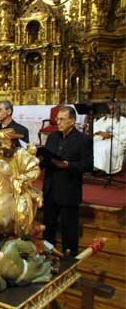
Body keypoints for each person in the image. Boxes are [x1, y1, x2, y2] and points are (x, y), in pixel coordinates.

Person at [41, 106, 93, 256]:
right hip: (50, 189)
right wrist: (40, 159)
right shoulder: (53, 137)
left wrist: (68, 165)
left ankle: (68, 263)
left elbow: (88, 164)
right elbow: (47, 159)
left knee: (69, 231)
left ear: (72, 121)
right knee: (48, 229)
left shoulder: (83, 140)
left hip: (68, 190)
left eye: (62, 119)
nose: (58, 122)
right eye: (57, 119)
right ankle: (47, 260)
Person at [93, 101, 126, 174]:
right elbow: (94, 128)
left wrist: (113, 134)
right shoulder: (102, 120)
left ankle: (102, 169)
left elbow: (124, 135)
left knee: (104, 148)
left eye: (113, 107)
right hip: (100, 139)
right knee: (91, 145)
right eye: (109, 107)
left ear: (118, 108)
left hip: (114, 141)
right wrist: (100, 132)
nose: (111, 109)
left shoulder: (123, 120)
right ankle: (93, 167)